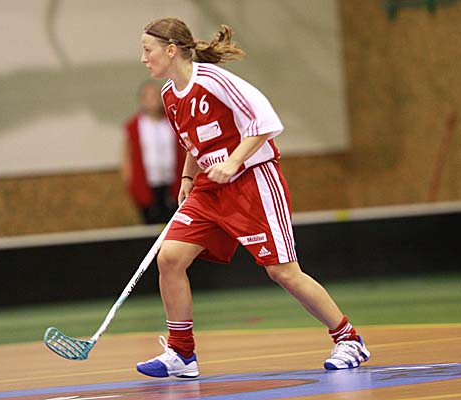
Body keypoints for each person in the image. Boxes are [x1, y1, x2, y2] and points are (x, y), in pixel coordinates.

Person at [136, 17, 370, 378]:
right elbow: (193, 142)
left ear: (170, 50)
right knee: (169, 258)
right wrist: (187, 176)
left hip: (252, 181)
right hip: (209, 188)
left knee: (283, 272)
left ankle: (349, 339)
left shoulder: (214, 81)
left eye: (147, 50)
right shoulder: (169, 95)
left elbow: (265, 121)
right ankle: (182, 353)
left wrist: (233, 162)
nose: (143, 58)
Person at [121, 80, 186, 224]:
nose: (152, 100)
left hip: (171, 181)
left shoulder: (172, 122)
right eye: (148, 96)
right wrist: (129, 181)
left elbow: (185, 150)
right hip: (148, 183)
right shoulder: (134, 125)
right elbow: (126, 156)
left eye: (155, 96)